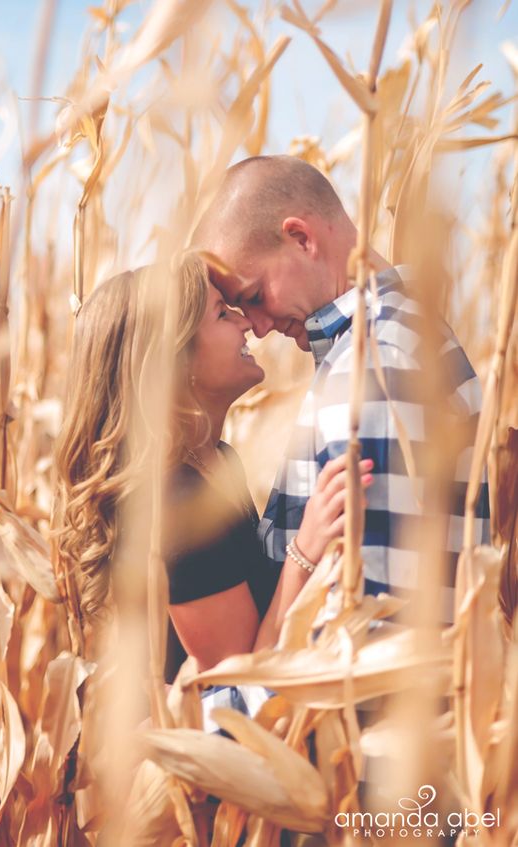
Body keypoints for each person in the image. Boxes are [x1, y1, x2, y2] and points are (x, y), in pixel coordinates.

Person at [53, 257, 373, 722]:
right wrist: (305, 553)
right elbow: (237, 694)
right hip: (190, 786)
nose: (247, 324)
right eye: (224, 314)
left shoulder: (218, 463)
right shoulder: (175, 503)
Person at [194, 155, 490, 623]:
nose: (259, 327)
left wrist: (213, 698)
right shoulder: (391, 340)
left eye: (253, 296)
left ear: (301, 238)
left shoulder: (371, 364)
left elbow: (369, 629)